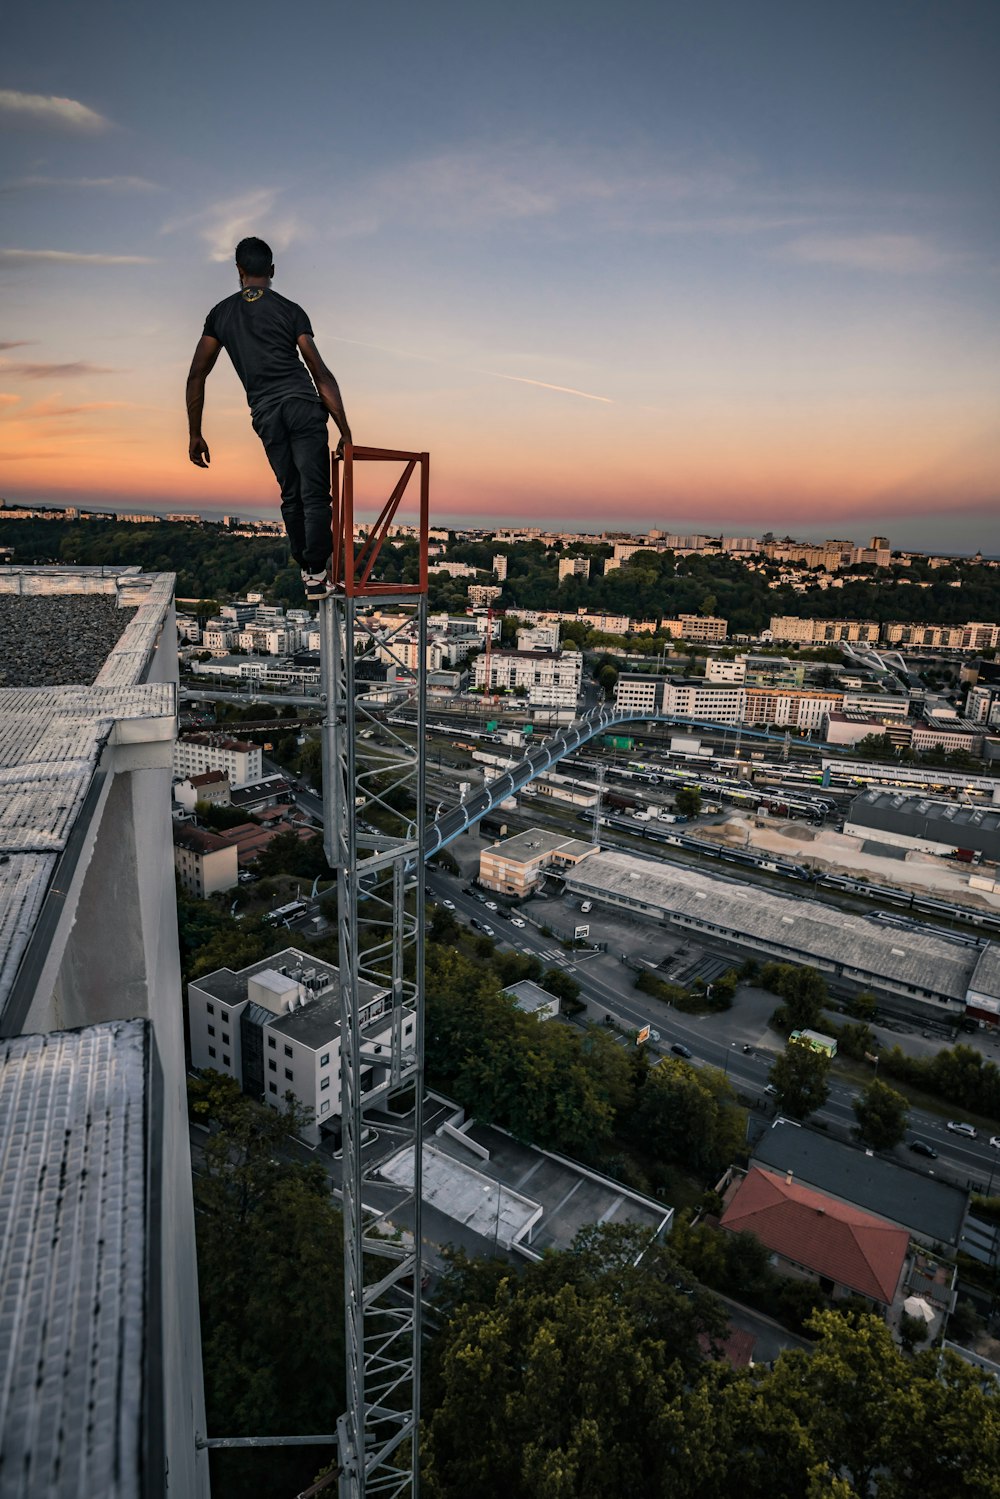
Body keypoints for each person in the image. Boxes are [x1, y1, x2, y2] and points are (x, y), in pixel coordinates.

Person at [185, 236, 352, 600]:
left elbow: (197, 374)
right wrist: (345, 430)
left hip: (266, 414)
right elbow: (319, 371)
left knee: (291, 494)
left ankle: (308, 573)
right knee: (314, 494)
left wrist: (195, 434)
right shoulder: (291, 310)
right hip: (303, 406)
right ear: (272, 271)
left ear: (239, 271)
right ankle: (317, 574)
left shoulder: (219, 315)